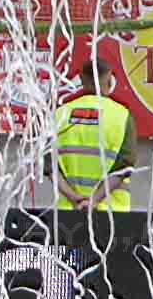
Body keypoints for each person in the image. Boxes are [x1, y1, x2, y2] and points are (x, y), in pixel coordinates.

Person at [53, 83, 136, 217]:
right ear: (109, 81)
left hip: (68, 212)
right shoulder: (121, 115)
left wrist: (74, 198)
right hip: (113, 214)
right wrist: (94, 200)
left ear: (81, 80)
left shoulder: (61, 113)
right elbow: (125, 166)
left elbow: (49, 167)